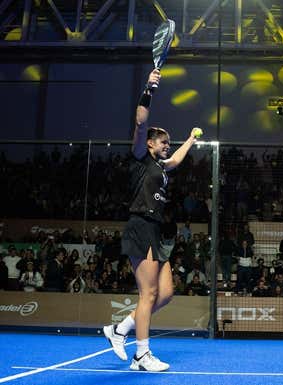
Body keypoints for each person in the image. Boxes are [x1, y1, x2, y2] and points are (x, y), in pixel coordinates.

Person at [103, 69, 201, 372]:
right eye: (163, 142)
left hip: (156, 230)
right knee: (147, 294)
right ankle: (141, 356)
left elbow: (173, 162)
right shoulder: (139, 157)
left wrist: (189, 140)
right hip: (140, 226)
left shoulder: (160, 165)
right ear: (149, 144)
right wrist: (150, 86)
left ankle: (120, 329)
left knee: (166, 294)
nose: (166, 145)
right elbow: (141, 120)